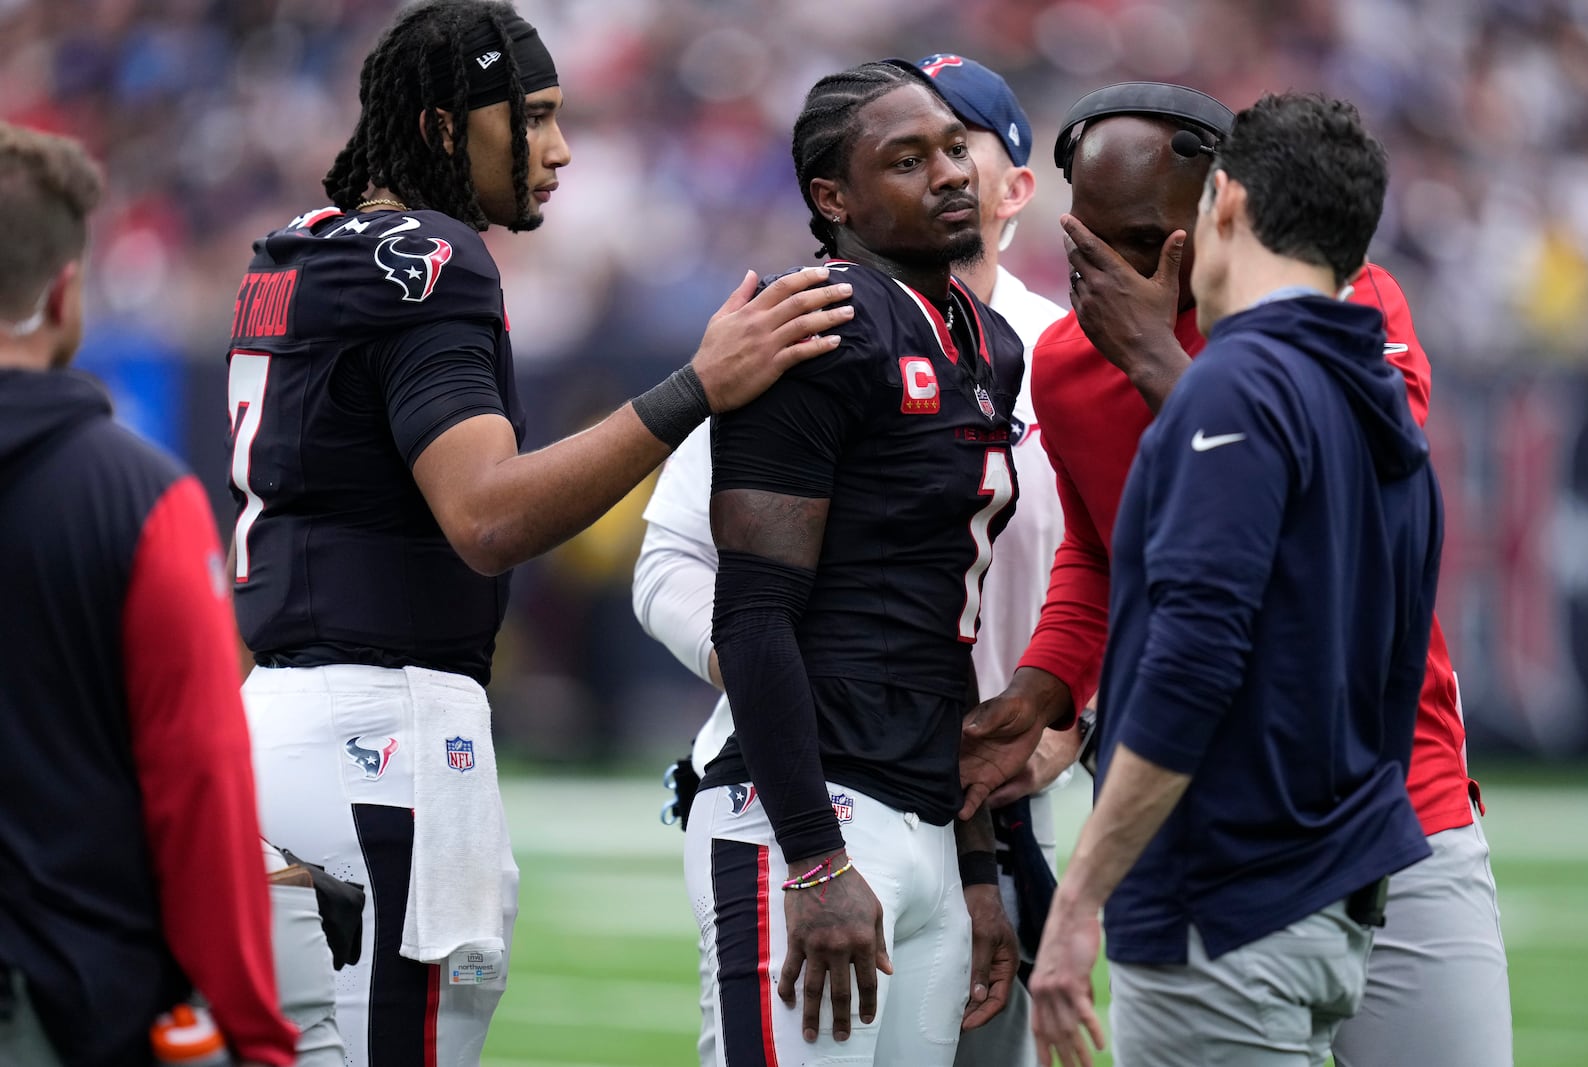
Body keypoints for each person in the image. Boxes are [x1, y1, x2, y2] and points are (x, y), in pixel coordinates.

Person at [224, 3, 853, 1065]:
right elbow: (488, 516)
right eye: (536, 118)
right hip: (384, 740)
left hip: (283, 729)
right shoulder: (432, 255)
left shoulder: (299, 249)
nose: (560, 151)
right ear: (438, 127)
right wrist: (699, 385)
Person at [960, 82, 1513, 1067]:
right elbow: (1100, 547)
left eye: (1146, 238)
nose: (1119, 273)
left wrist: (1155, 365)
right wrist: (1046, 684)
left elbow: (1345, 500)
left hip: (1400, 798)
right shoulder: (1062, 360)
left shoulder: (1341, 299)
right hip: (1195, 814)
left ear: (1222, 205)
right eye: (1092, 240)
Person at [633, 52, 1069, 1067]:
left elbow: (944, 622)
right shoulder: (818, 318)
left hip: (923, 806)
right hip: (813, 810)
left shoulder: (986, 343)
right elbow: (749, 612)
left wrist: (971, 866)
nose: (949, 173)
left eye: (954, 149)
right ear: (833, 197)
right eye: (907, 159)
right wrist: (813, 855)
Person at [0, 122, 297, 1067]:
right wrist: (253, 1032)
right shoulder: (140, 499)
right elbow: (200, 779)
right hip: (70, 999)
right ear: (64, 289)